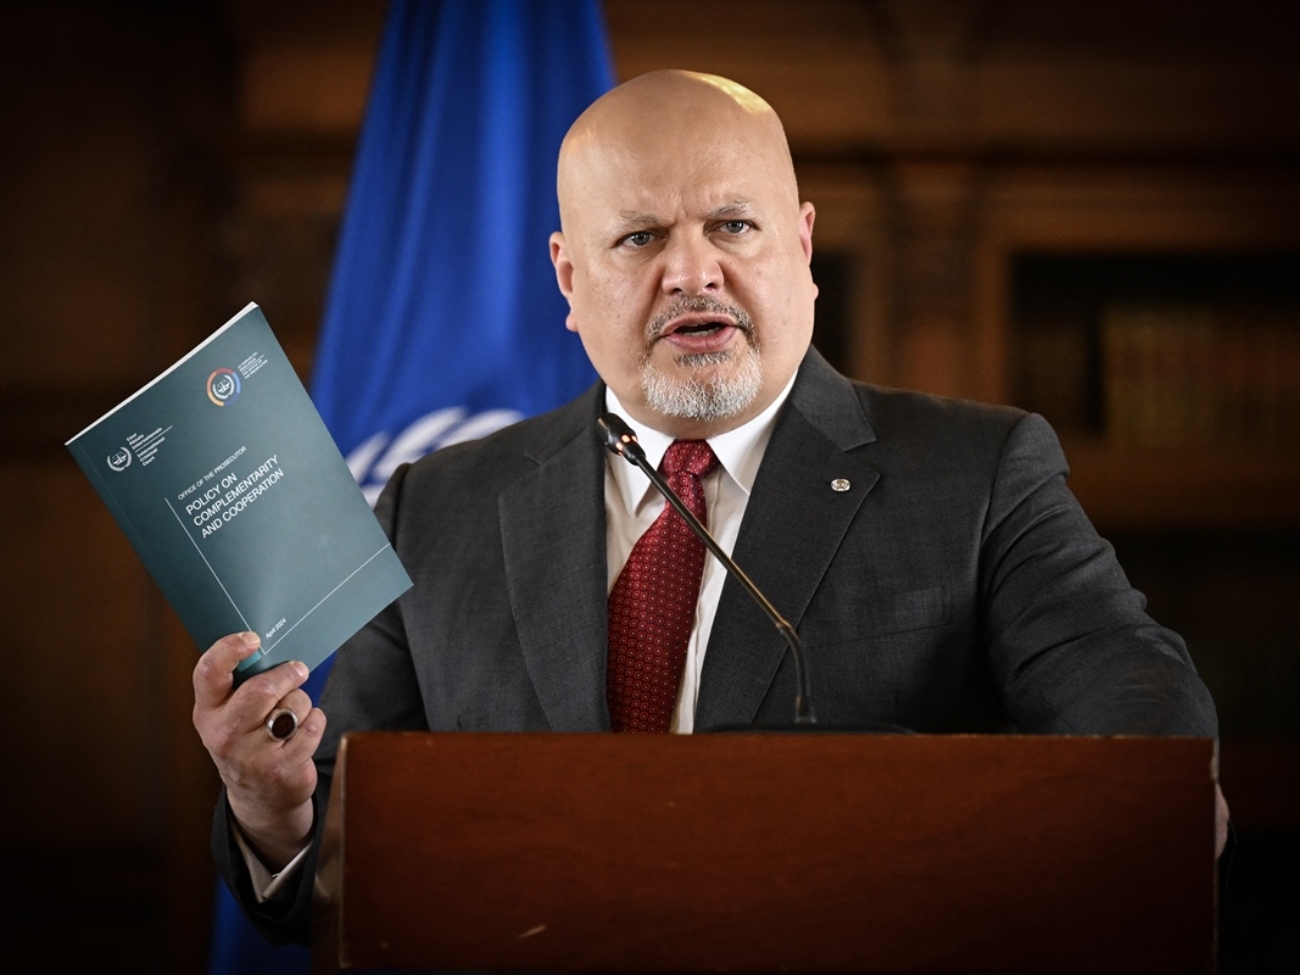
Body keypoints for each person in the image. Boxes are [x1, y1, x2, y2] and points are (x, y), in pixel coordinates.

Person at [193, 70, 1226, 947]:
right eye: (639, 239)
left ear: (801, 245)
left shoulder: (979, 470)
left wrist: (1146, 806)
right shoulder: (438, 506)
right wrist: (269, 806)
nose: (694, 272)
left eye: (732, 224)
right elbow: (334, 855)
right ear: (568, 276)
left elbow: (1131, 696)